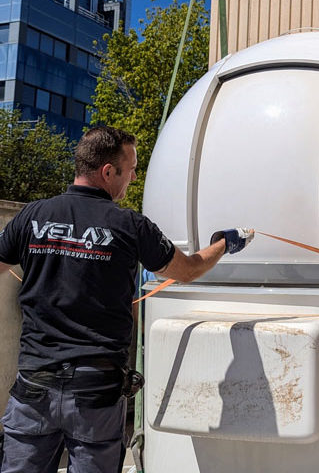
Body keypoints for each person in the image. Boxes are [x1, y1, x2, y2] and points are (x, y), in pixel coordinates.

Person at [0, 126, 254, 473]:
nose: (134, 177)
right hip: (95, 395)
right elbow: (189, 270)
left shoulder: (32, 216)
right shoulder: (129, 226)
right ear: (108, 171)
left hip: (34, 387)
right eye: (131, 168)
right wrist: (225, 243)